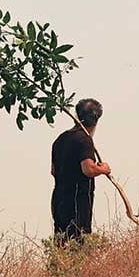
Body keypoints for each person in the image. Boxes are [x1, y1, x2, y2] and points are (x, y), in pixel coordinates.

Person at [50, 98, 110, 244]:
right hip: (76, 202)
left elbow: (53, 171)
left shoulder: (60, 139)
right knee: (79, 241)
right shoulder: (84, 140)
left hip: (59, 200)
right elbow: (88, 168)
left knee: (61, 243)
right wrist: (103, 169)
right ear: (96, 121)